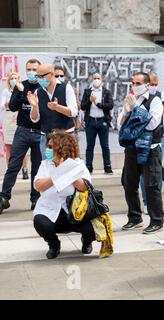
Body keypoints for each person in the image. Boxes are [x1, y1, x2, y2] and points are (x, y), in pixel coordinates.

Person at [33, 131, 95, 259]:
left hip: (75, 211)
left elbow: (85, 187)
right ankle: (54, 244)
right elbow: (38, 186)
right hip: (50, 210)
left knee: (92, 231)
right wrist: (57, 173)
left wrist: (67, 171)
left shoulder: (77, 164)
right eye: (47, 146)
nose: (47, 150)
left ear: (61, 148)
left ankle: (87, 241)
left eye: (51, 147)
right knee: (40, 222)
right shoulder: (45, 164)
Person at [120, 72, 164, 234]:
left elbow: (152, 124)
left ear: (147, 84)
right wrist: (126, 112)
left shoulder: (155, 100)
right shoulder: (131, 99)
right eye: (133, 82)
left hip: (150, 149)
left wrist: (135, 110)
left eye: (138, 83)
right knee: (128, 183)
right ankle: (134, 217)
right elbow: (122, 125)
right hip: (132, 149)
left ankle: (157, 220)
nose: (134, 85)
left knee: (151, 185)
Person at [0, 59, 42, 214]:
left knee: (37, 168)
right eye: (29, 69)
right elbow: (12, 106)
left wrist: (25, 95)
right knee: (13, 165)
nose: (32, 72)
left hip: (39, 133)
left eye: (34, 69)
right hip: (22, 131)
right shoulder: (21, 84)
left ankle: (35, 198)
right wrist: (20, 91)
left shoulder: (42, 87)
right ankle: (4, 198)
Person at [28, 63, 79, 159]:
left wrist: (57, 107)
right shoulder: (37, 92)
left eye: (41, 76)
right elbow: (34, 119)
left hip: (66, 136)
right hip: (46, 139)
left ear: (51, 74)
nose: (38, 79)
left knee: (67, 168)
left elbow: (73, 112)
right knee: (48, 169)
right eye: (37, 76)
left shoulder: (66, 88)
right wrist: (34, 107)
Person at [80, 73, 114, 174]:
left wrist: (98, 104)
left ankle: (107, 167)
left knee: (105, 146)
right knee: (90, 146)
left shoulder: (106, 92)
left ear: (101, 79)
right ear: (92, 79)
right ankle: (89, 167)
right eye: (94, 78)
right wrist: (90, 101)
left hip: (103, 121)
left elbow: (110, 105)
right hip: (90, 122)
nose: (96, 80)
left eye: (98, 78)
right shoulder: (87, 92)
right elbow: (82, 107)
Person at [1, 71, 29, 179]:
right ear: (9, 80)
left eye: (15, 78)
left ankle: (25, 169)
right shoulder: (5, 91)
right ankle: (10, 170)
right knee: (9, 146)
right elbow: (2, 104)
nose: (13, 80)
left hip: (19, 118)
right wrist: (7, 103)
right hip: (8, 118)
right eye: (11, 78)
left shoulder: (22, 89)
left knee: (23, 147)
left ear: (19, 79)